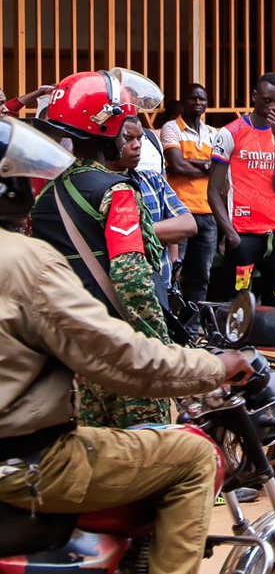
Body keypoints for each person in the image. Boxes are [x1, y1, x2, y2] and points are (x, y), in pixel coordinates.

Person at [0, 113, 255, 574]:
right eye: (130, 135)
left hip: (68, 375)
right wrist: (194, 363)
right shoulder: (113, 193)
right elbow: (132, 280)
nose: (137, 144)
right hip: (55, 422)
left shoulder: (55, 193)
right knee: (192, 454)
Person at [30, 69, 179, 428]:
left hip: (74, 353)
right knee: (147, 458)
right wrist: (157, 348)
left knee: (98, 459)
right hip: (123, 349)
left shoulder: (46, 196)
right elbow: (131, 278)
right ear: (107, 130)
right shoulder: (117, 191)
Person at [208, 73, 275, 299]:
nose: (273, 107)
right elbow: (213, 191)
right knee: (239, 304)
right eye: (267, 100)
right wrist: (231, 235)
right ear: (254, 96)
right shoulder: (231, 132)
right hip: (243, 235)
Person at [114, 117, 197, 308]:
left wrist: (131, 232)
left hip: (159, 288)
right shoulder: (99, 186)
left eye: (140, 138)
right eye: (128, 139)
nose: (137, 146)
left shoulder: (153, 180)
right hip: (120, 296)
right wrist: (162, 232)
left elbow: (188, 224)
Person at [160, 83, 217, 303]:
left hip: (208, 212)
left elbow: (220, 169)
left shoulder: (212, 133)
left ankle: (192, 331)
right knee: (175, 272)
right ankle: (175, 326)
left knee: (201, 275)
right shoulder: (171, 128)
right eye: (193, 98)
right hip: (180, 212)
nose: (198, 103)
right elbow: (176, 166)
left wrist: (191, 162)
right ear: (183, 102)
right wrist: (205, 166)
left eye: (202, 99)